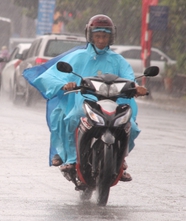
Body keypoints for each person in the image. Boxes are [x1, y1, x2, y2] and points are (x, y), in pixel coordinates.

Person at [24, 14, 148, 182]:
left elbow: (129, 79)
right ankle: (71, 159)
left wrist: (136, 88)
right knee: (71, 119)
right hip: (82, 102)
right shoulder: (78, 57)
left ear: (111, 37)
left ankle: (120, 161)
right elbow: (51, 76)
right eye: (97, 36)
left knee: (131, 128)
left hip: (114, 103)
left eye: (104, 36)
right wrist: (64, 84)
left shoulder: (118, 60)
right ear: (90, 36)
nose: (101, 40)